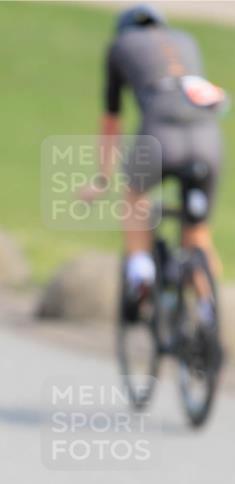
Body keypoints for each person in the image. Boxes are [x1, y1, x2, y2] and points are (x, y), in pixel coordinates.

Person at [87, 4, 225, 323]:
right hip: (207, 138)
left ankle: (141, 273)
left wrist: (101, 178)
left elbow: (112, 121)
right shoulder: (187, 39)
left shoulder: (120, 47)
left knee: (135, 197)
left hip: (161, 132)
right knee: (198, 232)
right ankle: (209, 314)